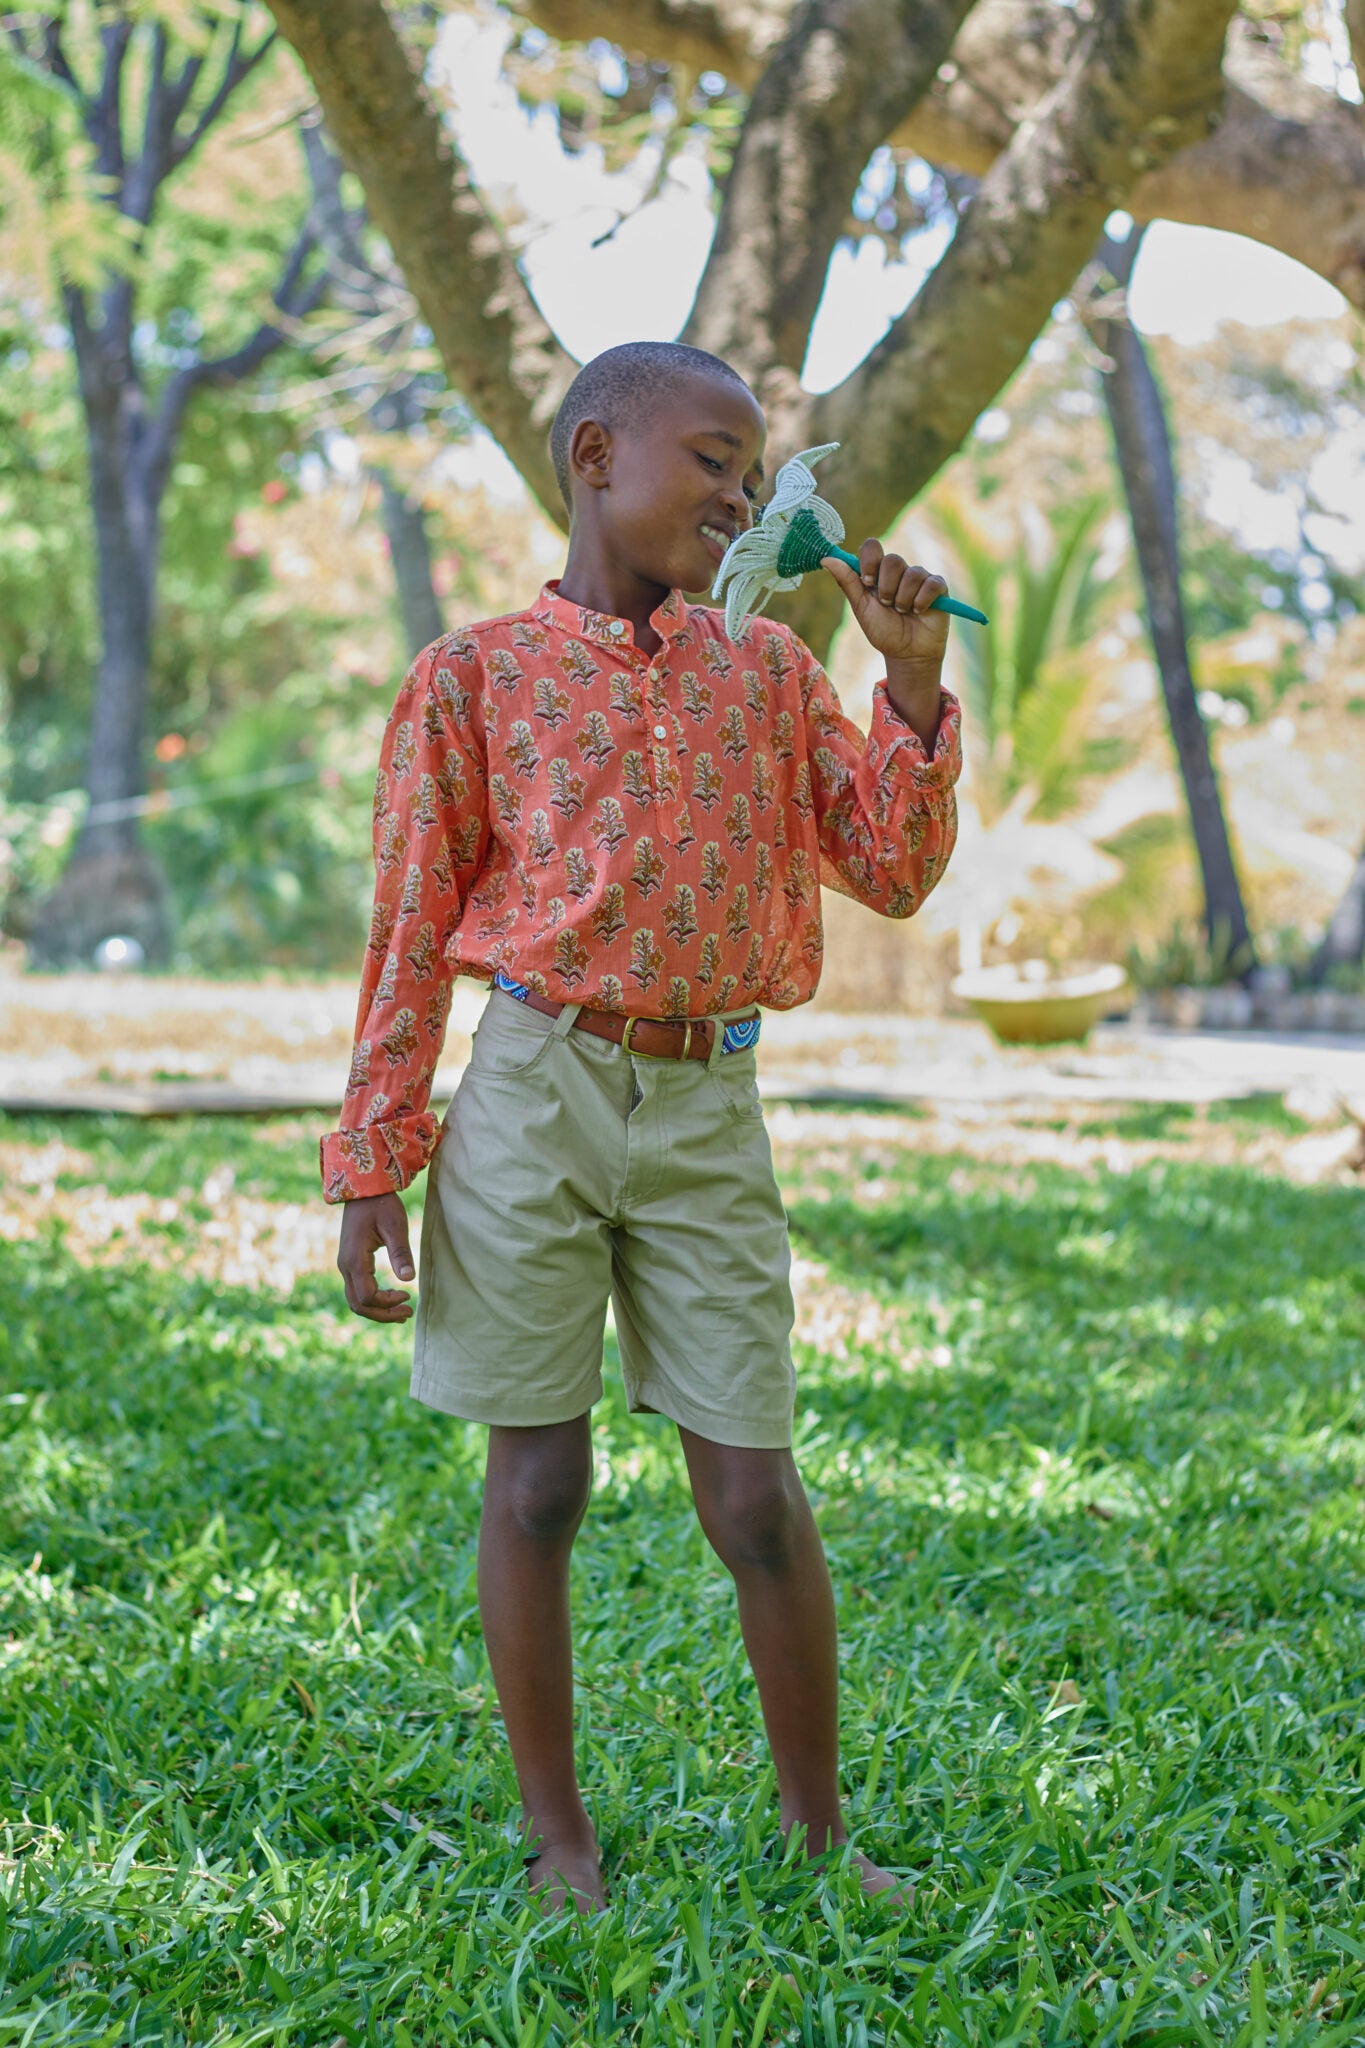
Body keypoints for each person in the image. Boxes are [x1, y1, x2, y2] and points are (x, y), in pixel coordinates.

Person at [321, 340, 963, 1917]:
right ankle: (561, 1842)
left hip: (705, 1105)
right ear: (596, 455)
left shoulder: (771, 675)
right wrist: (372, 1162)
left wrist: (910, 684)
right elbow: (408, 928)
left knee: (751, 1492)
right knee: (535, 1482)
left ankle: (818, 1837)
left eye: (753, 470)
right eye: (717, 462)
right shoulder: (469, 679)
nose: (743, 496)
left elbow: (886, 867)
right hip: (531, 1092)